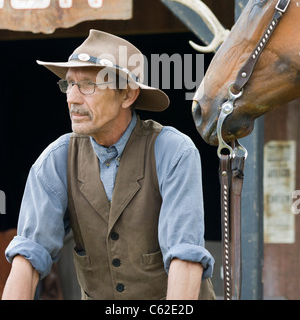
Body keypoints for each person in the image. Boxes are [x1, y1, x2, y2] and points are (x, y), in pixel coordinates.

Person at [2, 29, 215, 300]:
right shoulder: (56, 160)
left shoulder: (173, 151)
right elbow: (28, 257)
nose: (72, 98)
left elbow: (185, 257)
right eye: (69, 84)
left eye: (88, 85)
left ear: (127, 95)